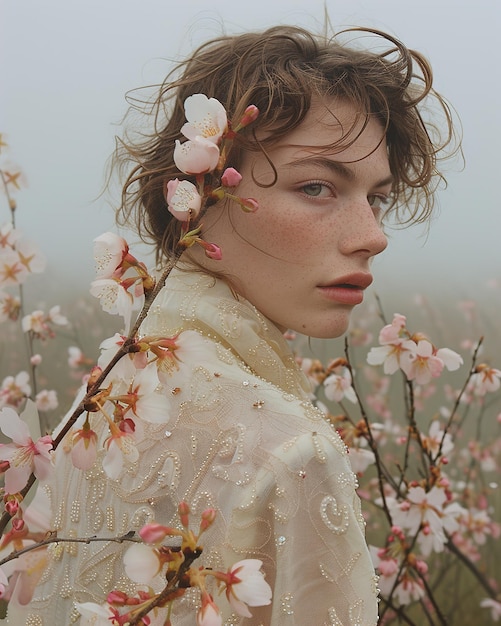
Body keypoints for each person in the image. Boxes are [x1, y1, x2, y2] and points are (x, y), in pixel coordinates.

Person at [6, 24, 457, 625]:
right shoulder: (294, 453)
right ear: (196, 190)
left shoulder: (108, 393)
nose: (373, 236)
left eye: (376, 197)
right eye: (317, 186)